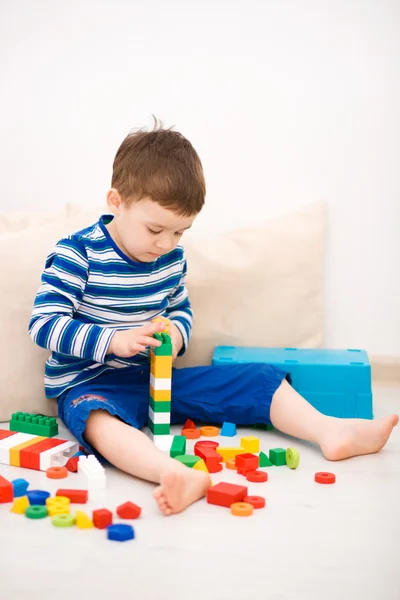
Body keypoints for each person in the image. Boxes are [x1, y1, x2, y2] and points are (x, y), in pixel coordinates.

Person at [29, 119, 398, 516]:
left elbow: (181, 310)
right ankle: (174, 474)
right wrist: (112, 341)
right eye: (156, 229)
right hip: (90, 384)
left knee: (258, 377)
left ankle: (330, 430)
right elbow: (44, 323)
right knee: (96, 418)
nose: (166, 244)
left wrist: (177, 334)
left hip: (155, 380)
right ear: (116, 202)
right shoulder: (77, 253)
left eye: (179, 233)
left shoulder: (170, 259)